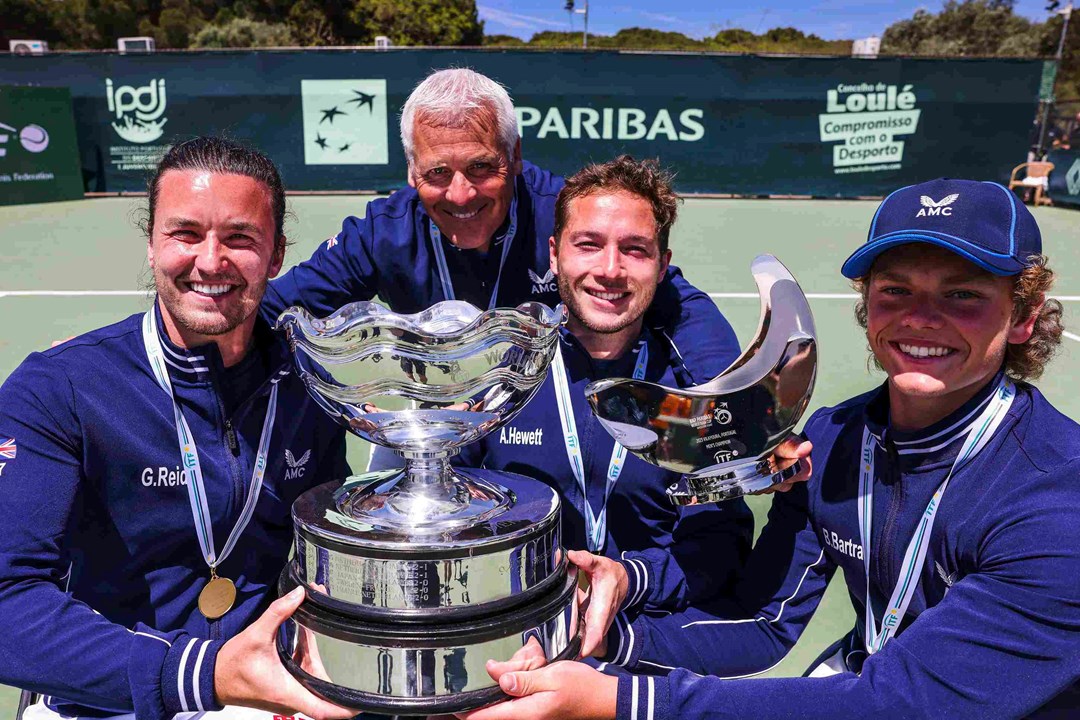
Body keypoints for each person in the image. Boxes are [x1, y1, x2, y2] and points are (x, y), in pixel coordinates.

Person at [460, 178, 1080, 720]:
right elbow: (761, 624)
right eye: (896, 291)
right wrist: (598, 641)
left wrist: (620, 700)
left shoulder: (1056, 497)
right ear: (867, 308)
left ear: (1022, 317)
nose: (921, 318)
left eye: (962, 295)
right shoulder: (838, 440)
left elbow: (900, 703)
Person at [0, 137, 356, 720]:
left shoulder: (309, 382)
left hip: (264, 690)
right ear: (152, 244)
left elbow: (329, 550)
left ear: (276, 256)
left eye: (240, 238)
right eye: (185, 234)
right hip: (101, 699)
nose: (210, 261)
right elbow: (6, 606)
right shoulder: (60, 386)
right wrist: (202, 674)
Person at [454, 156, 802, 655]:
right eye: (588, 245)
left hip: (645, 645)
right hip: (508, 642)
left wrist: (631, 579)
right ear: (555, 255)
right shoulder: (493, 370)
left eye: (635, 251)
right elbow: (450, 514)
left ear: (663, 265)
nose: (610, 270)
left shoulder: (690, 390)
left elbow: (716, 545)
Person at [261, 67, 740, 388]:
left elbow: (677, 305)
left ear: (514, 157)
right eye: (438, 173)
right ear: (411, 172)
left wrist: (729, 403)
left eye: (482, 167)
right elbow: (275, 311)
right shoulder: (382, 232)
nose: (462, 194)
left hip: (545, 407)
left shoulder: (562, 211)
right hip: (436, 413)